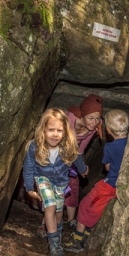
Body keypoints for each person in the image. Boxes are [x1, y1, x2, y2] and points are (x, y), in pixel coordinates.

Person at [23, 108, 89, 256]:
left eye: (59, 130)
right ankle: (53, 243)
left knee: (59, 213)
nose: (55, 134)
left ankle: (56, 234)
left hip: (60, 183)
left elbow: (77, 160)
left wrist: (84, 170)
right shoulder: (35, 146)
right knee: (50, 206)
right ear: (43, 130)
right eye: (51, 129)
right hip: (42, 179)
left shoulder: (68, 147)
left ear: (65, 131)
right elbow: (28, 168)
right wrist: (28, 187)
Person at [36, 94, 104, 238]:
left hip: (69, 159)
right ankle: (44, 225)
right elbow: (69, 147)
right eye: (91, 118)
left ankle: (62, 224)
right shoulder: (69, 119)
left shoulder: (91, 129)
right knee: (52, 191)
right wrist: (82, 168)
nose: (94, 122)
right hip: (53, 156)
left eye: (98, 118)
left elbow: (79, 151)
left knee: (67, 187)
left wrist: (81, 168)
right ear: (83, 114)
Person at [63, 109, 129, 253]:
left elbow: (107, 166)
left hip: (110, 184)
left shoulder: (110, 146)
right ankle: (87, 233)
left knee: (86, 204)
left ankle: (78, 239)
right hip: (122, 185)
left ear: (109, 130)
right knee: (98, 207)